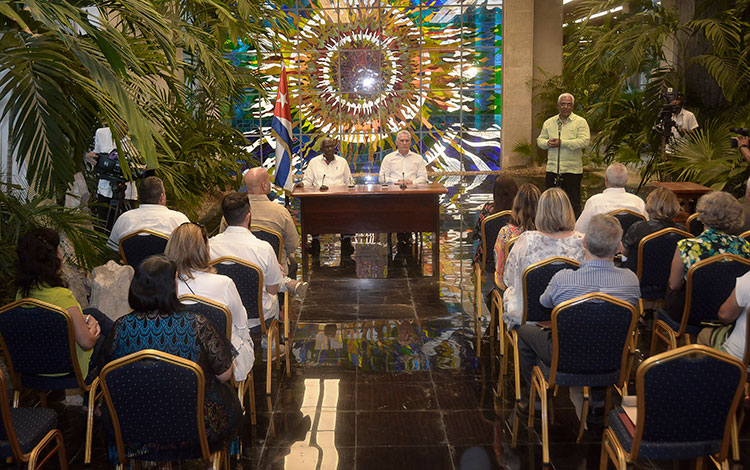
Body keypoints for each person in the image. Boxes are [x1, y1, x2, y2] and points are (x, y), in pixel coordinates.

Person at [99, 255, 241, 456]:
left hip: (134, 426)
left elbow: (106, 375)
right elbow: (225, 374)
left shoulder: (120, 328)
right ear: (172, 286)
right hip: (195, 426)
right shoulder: (197, 325)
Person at [514, 214, 641, 420]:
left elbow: (544, 303)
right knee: (603, 334)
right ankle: (598, 400)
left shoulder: (563, 279)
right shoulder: (630, 281)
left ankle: (535, 401)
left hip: (565, 356)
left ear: (584, 242)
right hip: (611, 357)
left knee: (525, 332)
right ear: (618, 246)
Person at [15, 228, 113, 382]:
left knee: (93, 312)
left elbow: (45, 322)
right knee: (107, 341)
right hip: (67, 370)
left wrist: (84, 318)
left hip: (33, 367)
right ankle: (91, 400)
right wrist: (93, 329)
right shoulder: (62, 297)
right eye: (59, 249)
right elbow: (87, 343)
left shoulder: (21, 295)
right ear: (53, 259)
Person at [165, 222, 254, 381]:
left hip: (177, 360)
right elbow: (241, 325)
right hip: (222, 363)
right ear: (204, 250)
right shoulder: (224, 284)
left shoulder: (162, 286)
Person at [502, 188, 585, 330]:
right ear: (568, 210)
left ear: (541, 211)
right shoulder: (583, 241)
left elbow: (508, 278)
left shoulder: (526, 240)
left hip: (530, 318)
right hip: (572, 316)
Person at [665, 191, 750, 321]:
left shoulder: (687, 246)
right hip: (731, 314)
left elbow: (674, 285)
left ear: (702, 214)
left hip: (692, 315)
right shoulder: (744, 246)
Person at [210, 192, 284, 333]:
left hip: (222, 316)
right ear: (248, 216)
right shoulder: (264, 249)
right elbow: (272, 290)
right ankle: (270, 344)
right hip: (257, 319)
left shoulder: (209, 247)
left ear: (224, 218)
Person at [231, 167, 305, 279]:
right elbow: (293, 244)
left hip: (240, 271)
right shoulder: (281, 212)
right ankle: (283, 295)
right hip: (275, 271)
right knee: (292, 264)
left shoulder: (232, 213)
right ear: (264, 185)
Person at [295, 139, 355, 257]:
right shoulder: (314, 162)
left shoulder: (342, 162)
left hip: (340, 199)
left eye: (332, 146)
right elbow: (308, 180)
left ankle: (346, 238)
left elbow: (349, 181)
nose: (330, 149)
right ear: (322, 150)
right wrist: (303, 184)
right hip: (320, 198)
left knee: (349, 208)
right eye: (327, 147)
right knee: (312, 210)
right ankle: (315, 239)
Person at [537, 93, 590, 215]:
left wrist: (563, 143)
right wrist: (547, 142)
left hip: (572, 170)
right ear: (558, 106)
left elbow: (584, 141)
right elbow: (539, 141)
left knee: (573, 203)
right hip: (553, 169)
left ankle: (573, 228)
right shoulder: (549, 122)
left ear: (572, 106)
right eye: (563, 104)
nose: (565, 107)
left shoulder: (580, 122)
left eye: (568, 104)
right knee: (550, 202)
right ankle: (550, 226)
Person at [107, 176, 189, 250]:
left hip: (133, 266)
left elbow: (112, 249)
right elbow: (192, 249)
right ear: (162, 197)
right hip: (168, 266)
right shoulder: (179, 220)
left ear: (139, 197)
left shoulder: (124, 219)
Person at [86, 126, 138, 231]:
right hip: (105, 190)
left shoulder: (136, 136)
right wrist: (89, 157)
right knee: (104, 229)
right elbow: (96, 157)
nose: (123, 125)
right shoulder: (101, 133)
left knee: (127, 230)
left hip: (127, 191)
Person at [621, 187, 683, 272]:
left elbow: (625, 252)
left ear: (649, 205)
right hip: (671, 278)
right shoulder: (683, 231)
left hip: (639, 278)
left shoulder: (638, 228)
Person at [575, 163, 647, 233]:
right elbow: (646, 227)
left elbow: (579, 230)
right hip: (631, 244)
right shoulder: (638, 203)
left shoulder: (594, 202)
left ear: (606, 180)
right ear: (626, 180)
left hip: (601, 244)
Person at [494, 183, 541, 287]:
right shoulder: (547, 235)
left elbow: (500, 272)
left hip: (513, 290)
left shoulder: (506, 233)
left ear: (516, 205)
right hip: (541, 290)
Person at [696, 270, 749, 362]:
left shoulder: (748, 279)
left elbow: (725, 316)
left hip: (739, 358)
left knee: (704, 335)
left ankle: (706, 373)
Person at [472, 175, 518, 265]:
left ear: (495, 193)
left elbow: (476, 235)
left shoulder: (486, 212)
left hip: (489, 261)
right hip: (515, 261)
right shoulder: (520, 214)